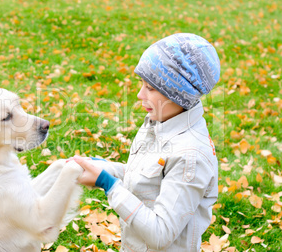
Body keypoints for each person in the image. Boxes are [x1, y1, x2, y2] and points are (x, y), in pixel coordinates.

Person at [71, 33, 220, 252]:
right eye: (142, 84)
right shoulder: (159, 122)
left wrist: (109, 185)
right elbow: (148, 179)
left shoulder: (191, 156)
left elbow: (160, 235)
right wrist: (106, 168)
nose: (140, 95)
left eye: (150, 88)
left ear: (177, 93)